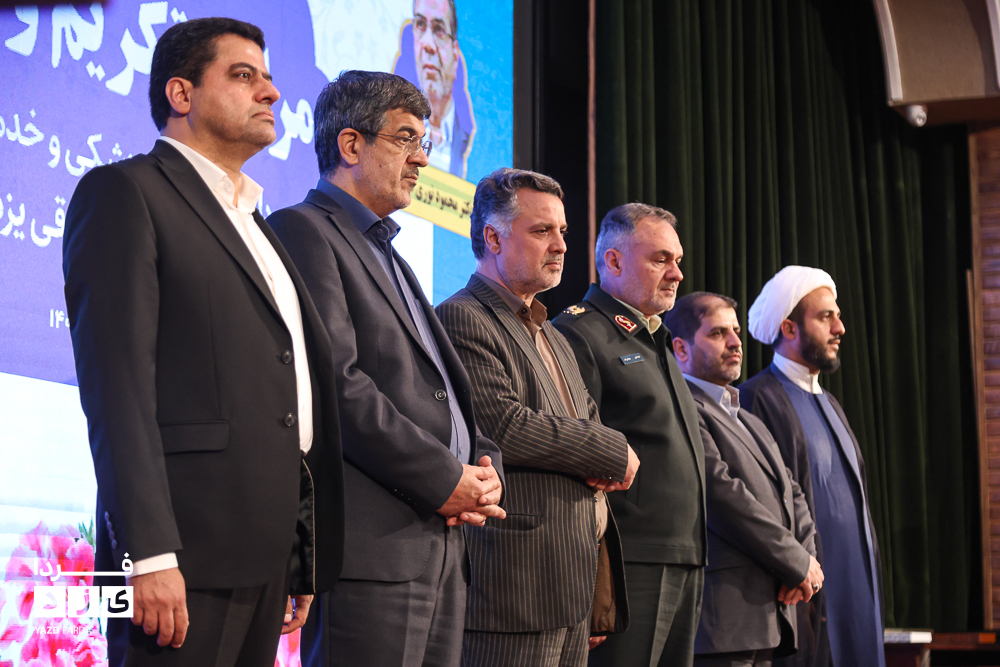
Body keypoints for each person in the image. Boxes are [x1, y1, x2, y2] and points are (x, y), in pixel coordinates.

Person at [62, 17, 344, 666]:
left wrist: (299, 552)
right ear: (181, 93)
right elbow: (118, 391)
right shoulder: (126, 192)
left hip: (264, 557)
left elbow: (286, 397)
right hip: (178, 558)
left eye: (269, 77)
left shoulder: (257, 222)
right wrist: (147, 554)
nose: (271, 92)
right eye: (244, 76)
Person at [267, 70, 505, 667]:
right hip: (374, 552)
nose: (422, 158)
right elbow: (337, 385)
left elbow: (443, 389)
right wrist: (444, 478)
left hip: (440, 547)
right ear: (351, 145)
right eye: (405, 139)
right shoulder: (304, 229)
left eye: (424, 142)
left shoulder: (389, 252)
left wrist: (484, 467)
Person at [435, 168, 636, 667]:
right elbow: (503, 425)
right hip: (514, 592)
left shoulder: (553, 332)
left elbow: (588, 418)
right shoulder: (462, 317)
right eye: (542, 230)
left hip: (571, 588)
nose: (561, 245)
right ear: (493, 238)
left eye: (562, 231)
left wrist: (599, 452)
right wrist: (611, 452)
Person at [553, 203, 706, 667]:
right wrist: (590, 579)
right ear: (614, 261)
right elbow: (572, 458)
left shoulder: (655, 337)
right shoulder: (579, 332)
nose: (676, 273)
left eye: (677, 260)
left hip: (685, 555)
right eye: (660, 259)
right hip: (628, 561)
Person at [663, 291, 824, 667]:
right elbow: (723, 496)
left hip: (771, 610)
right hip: (723, 617)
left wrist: (806, 560)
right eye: (718, 333)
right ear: (681, 348)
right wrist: (794, 561)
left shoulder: (747, 418)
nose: (736, 342)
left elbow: (792, 491)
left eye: (735, 331)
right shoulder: (681, 408)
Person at [741, 266, 884, 667]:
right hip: (804, 594)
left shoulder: (830, 402)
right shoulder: (756, 398)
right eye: (825, 317)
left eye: (837, 316)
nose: (840, 328)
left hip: (857, 588)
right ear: (789, 328)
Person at [409, 0, 472, 177]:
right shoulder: (395, 132)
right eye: (420, 25)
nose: (428, 44)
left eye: (439, 30)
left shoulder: (473, 144)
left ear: (455, 55)